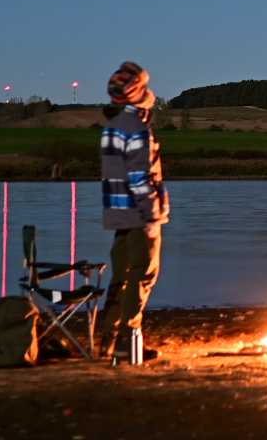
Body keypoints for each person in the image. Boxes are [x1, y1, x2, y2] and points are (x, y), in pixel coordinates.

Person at [99, 60, 170, 362]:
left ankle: (108, 342)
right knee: (142, 277)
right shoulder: (136, 129)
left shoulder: (112, 126)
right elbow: (139, 177)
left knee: (120, 279)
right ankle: (131, 343)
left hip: (118, 215)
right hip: (140, 216)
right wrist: (152, 216)